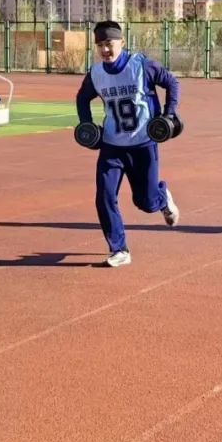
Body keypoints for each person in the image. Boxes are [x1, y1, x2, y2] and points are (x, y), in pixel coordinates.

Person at [75, 21, 181, 268]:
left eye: (109, 44)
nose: (105, 50)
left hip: (143, 144)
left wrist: (169, 114)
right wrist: (87, 124)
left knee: (145, 202)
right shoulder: (96, 74)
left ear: (121, 42)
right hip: (112, 146)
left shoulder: (141, 65)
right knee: (104, 195)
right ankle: (119, 249)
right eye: (100, 45)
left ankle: (161, 197)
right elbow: (82, 98)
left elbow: (172, 83)